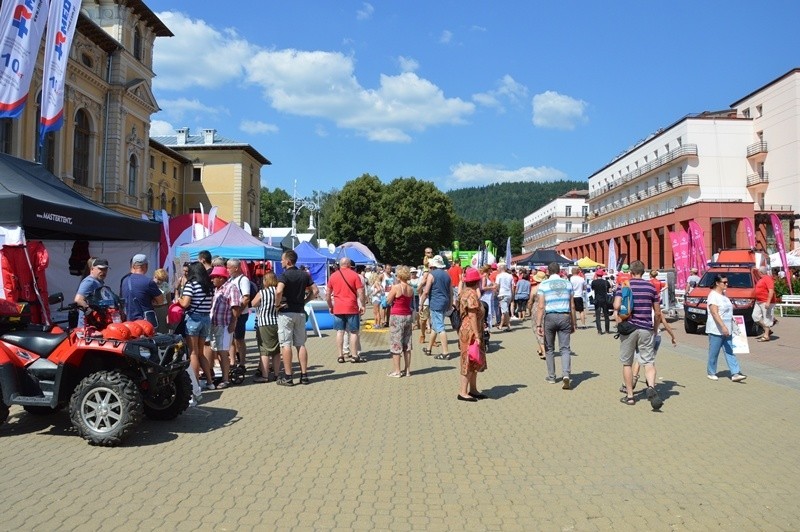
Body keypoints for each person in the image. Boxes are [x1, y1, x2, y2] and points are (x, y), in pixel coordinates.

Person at [615, 260, 665, 409]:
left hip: (628, 328)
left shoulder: (624, 285)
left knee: (627, 362)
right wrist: (655, 328)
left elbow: (616, 306)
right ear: (643, 272)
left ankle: (630, 396)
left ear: (630, 272)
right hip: (646, 328)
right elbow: (657, 312)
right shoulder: (651, 287)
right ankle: (651, 387)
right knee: (648, 361)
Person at [275, 249, 319, 386]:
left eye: (282, 259)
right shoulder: (304, 275)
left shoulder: (284, 276)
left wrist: (277, 304)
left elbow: (279, 290)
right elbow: (315, 291)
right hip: (300, 312)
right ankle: (304, 375)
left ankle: (288, 376)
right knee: (300, 344)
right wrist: (305, 301)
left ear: (288, 261)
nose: (281, 261)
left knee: (286, 344)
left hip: (286, 312)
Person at [535, 262, 576, 389]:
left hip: (550, 317)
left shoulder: (544, 284)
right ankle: (566, 374)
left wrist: (538, 325)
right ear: (559, 271)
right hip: (565, 316)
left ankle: (552, 376)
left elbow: (541, 306)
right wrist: (574, 322)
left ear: (548, 271)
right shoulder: (568, 283)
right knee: (565, 348)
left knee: (549, 349)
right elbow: (572, 305)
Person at [179, 262, 215, 392]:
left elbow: (185, 303)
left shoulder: (191, 285)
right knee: (201, 353)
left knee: (192, 352)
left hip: (194, 319)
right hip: (206, 319)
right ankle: (210, 382)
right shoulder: (209, 286)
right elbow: (210, 305)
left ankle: (196, 385)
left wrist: (178, 298)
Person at [706, 274, 747, 382]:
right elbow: (714, 313)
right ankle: (711, 372)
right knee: (714, 352)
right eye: (724, 282)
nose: (726, 284)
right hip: (716, 328)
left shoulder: (724, 295)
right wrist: (723, 327)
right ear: (717, 283)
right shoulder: (713, 295)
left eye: (727, 282)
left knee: (730, 350)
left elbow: (728, 311)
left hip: (728, 328)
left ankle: (735, 373)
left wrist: (733, 325)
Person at [456, 267, 487, 402]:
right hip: (470, 331)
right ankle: (463, 391)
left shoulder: (464, 292)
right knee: (468, 360)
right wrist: (477, 335)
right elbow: (472, 316)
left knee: (473, 360)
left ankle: (473, 389)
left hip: (467, 329)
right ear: (476, 282)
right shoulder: (472, 294)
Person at [327, 257, 366, 364]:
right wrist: (362, 305)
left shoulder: (333, 276)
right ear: (349, 265)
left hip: (338, 307)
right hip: (352, 307)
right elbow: (361, 292)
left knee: (340, 332)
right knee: (353, 332)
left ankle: (340, 355)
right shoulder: (355, 275)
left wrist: (330, 305)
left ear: (340, 265)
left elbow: (327, 294)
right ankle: (354, 355)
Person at [209, 266, 241, 389]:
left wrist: (233, 322)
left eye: (213, 278)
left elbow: (235, 307)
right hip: (216, 324)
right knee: (217, 350)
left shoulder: (231, 288)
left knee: (223, 352)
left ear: (221, 278)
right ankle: (222, 375)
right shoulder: (218, 289)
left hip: (225, 324)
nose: (212, 280)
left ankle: (226, 379)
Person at [419, 254, 453, 360]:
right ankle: (429, 349)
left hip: (436, 303)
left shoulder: (432, 275)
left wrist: (421, 304)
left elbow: (426, 291)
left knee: (440, 327)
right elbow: (451, 292)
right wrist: (450, 304)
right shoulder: (447, 275)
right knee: (435, 326)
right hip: (445, 302)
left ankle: (445, 352)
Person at [251, 271, 281, 383]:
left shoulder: (262, 292)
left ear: (266, 281)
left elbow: (253, 303)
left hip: (264, 322)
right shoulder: (278, 291)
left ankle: (265, 375)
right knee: (276, 350)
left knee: (264, 350)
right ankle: (277, 374)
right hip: (277, 322)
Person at [386, 265, 414, 377]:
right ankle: (407, 370)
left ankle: (397, 371)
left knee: (396, 344)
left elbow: (388, 300)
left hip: (397, 316)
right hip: (407, 315)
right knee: (407, 344)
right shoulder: (411, 288)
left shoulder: (396, 287)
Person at [120, 254, 163, 323]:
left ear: (133, 266)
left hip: (127, 322)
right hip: (144, 323)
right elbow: (161, 300)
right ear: (146, 266)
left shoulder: (124, 280)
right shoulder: (149, 282)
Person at [226, 259, 252, 371]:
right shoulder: (231, 279)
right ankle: (233, 361)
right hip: (231, 313)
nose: (227, 270)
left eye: (229, 267)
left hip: (240, 314)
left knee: (239, 339)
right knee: (231, 339)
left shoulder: (243, 280)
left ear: (236, 268)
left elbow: (246, 298)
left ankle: (242, 363)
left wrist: (237, 313)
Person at [74, 258, 109, 326]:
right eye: (100, 269)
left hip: (97, 324)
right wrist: (90, 310)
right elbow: (78, 300)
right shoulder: (89, 282)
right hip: (87, 327)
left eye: (105, 269)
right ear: (92, 269)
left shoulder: (99, 281)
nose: (103, 271)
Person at [526, 271, 547, 359]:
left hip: (536, 308)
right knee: (545, 328)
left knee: (537, 328)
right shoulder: (547, 287)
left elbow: (530, 301)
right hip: (547, 308)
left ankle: (544, 351)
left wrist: (529, 310)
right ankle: (540, 348)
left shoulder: (534, 288)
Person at [753, 265, 776, 342]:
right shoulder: (761, 279)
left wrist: (768, 302)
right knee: (755, 316)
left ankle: (766, 336)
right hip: (759, 301)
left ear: (760, 272)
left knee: (767, 318)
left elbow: (771, 290)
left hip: (765, 301)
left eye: (758, 271)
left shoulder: (767, 278)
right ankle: (767, 329)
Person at [591, 269, 611, 335]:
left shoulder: (594, 282)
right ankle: (607, 330)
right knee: (606, 315)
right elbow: (609, 291)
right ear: (602, 275)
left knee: (597, 315)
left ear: (596, 274)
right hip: (605, 299)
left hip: (597, 299)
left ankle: (599, 331)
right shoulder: (606, 282)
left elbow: (593, 289)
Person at [495, 262, 514, 331]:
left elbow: (497, 285)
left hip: (502, 294)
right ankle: (501, 325)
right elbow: (512, 287)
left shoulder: (499, 276)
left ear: (500, 268)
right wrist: (512, 295)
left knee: (504, 311)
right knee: (504, 310)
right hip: (508, 294)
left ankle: (509, 325)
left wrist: (496, 292)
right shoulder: (510, 276)